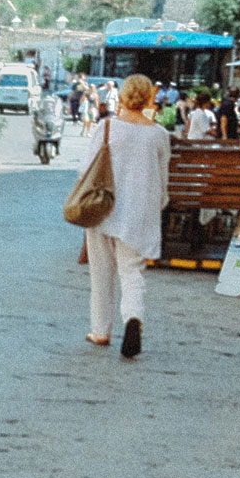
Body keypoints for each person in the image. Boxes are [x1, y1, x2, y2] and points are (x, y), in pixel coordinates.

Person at [82, 71, 171, 359]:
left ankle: (100, 331)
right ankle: (132, 317)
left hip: (103, 209)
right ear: (149, 99)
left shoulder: (107, 127)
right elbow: (162, 179)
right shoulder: (159, 135)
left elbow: (85, 169)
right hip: (139, 213)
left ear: (121, 97)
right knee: (132, 272)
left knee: (101, 273)